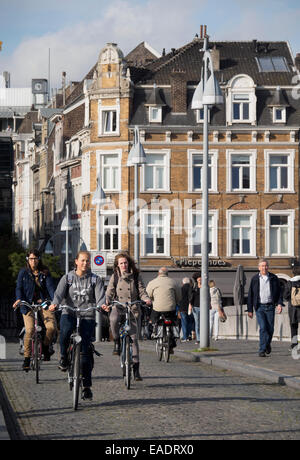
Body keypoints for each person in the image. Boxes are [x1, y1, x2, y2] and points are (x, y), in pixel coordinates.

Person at [49, 251, 105, 401]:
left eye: (87, 261)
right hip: (70, 312)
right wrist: (55, 304)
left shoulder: (95, 279)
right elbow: (58, 295)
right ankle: (63, 357)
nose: (85, 263)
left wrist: (102, 306)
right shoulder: (67, 278)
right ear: (76, 261)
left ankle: (86, 387)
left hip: (87, 315)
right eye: (82, 261)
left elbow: (100, 297)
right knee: (65, 333)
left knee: (86, 351)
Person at [103, 252, 151, 381]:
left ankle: (136, 370)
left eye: (125, 262)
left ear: (128, 263)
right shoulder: (115, 276)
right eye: (121, 263)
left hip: (133, 308)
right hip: (118, 306)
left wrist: (146, 299)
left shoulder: (136, 276)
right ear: (117, 265)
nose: (123, 265)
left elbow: (142, 291)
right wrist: (106, 301)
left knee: (134, 339)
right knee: (113, 319)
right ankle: (117, 341)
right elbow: (109, 291)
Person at [13, 249, 57, 370]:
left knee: (51, 327)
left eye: (36, 258)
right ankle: (27, 358)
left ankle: (45, 346)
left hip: (43, 303)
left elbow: (51, 288)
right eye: (31, 259)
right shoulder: (23, 272)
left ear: (39, 259)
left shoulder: (45, 272)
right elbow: (19, 288)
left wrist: (54, 302)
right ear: (28, 259)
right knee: (30, 329)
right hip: (27, 304)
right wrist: (18, 299)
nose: (34, 261)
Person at [247, 258, 283, 357]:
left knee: (270, 329)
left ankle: (267, 344)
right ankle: (262, 350)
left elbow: (279, 293)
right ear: (259, 268)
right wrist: (250, 310)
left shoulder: (273, 278)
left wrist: (279, 304)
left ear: (268, 267)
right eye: (262, 266)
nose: (264, 268)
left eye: (266, 266)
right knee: (263, 328)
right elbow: (251, 294)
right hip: (259, 307)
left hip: (270, 306)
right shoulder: (255, 279)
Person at [146, 267, 181, 352]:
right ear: (167, 274)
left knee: (154, 318)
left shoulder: (152, 282)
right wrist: (176, 302)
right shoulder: (173, 282)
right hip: (170, 308)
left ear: (158, 274)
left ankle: (154, 331)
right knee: (173, 321)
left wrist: (152, 299)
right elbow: (179, 296)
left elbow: (147, 294)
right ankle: (173, 339)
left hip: (157, 308)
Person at [283, 265, 300, 350]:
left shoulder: (289, 282)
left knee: (293, 326)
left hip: (293, 308)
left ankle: (294, 345)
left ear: (293, 272)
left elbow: (285, 296)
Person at [178, 277, 193, 342]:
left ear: (183, 283)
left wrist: (178, 309)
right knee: (190, 322)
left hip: (182, 308)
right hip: (190, 307)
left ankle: (185, 337)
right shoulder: (191, 288)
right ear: (189, 282)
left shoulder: (181, 289)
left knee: (184, 323)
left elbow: (178, 299)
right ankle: (189, 335)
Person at [189, 275, 202, 345]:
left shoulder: (205, 287)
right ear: (196, 280)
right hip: (195, 307)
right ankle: (198, 339)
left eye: (201, 278)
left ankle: (203, 337)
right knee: (197, 323)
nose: (200, 279)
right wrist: (190, 305)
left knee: (203, 323)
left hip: (203, 307)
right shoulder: (194, 287)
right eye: (198, 278)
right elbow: (191, 297)